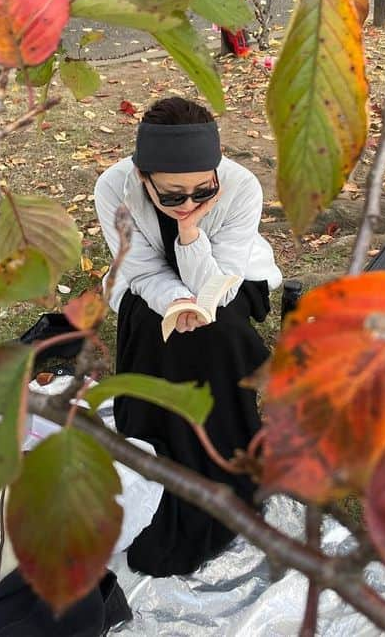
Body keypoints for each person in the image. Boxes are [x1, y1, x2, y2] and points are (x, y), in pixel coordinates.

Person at [94, 96, 282, 577]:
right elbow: (137, 270)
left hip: (228, 279)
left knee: (216, 337)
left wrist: (190, 230)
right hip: (149, 285)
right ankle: (166, 438)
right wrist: (176, 303)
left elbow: (222, 280)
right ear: (143, 178)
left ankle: (227, 452)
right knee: (162, 333)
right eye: (173, 195)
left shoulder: (241, 187)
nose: (191, 202)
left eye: (203, 190)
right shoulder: (112, 189)